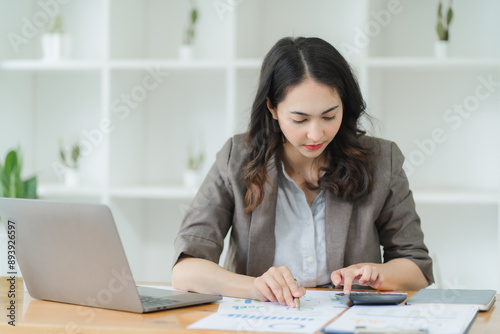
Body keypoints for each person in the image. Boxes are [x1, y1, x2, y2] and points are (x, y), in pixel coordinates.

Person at [172, 36, 434, 308]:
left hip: (349, 321)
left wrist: (380, 274)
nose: (316, 133)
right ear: (272, 108)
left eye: (329, 116)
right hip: (261, 320)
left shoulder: (382, 160)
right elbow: (186, 268)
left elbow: (417, 267)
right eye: (300, 119)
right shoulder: (236, 158)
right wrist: (255, 286)